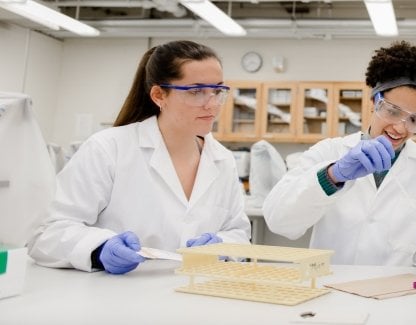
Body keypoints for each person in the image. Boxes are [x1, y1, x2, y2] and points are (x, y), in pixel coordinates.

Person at [27, 40, 251, 274]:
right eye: (196, 92)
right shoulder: (109, 149)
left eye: (217, 91)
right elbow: (47, 232)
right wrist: (98, 249)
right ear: (158, 95)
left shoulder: (222, 160)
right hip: (119, 299)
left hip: (199, 295)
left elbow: (238, 232)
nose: (213, 105)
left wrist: (223, 245)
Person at [263, 41, 416, 266]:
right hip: (331, 290)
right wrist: (332, 176)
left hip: (399, 295)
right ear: (374, 101)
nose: (401, 128)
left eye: (414, 120)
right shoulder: (329, 151)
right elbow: (278, 221)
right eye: (393, 111)